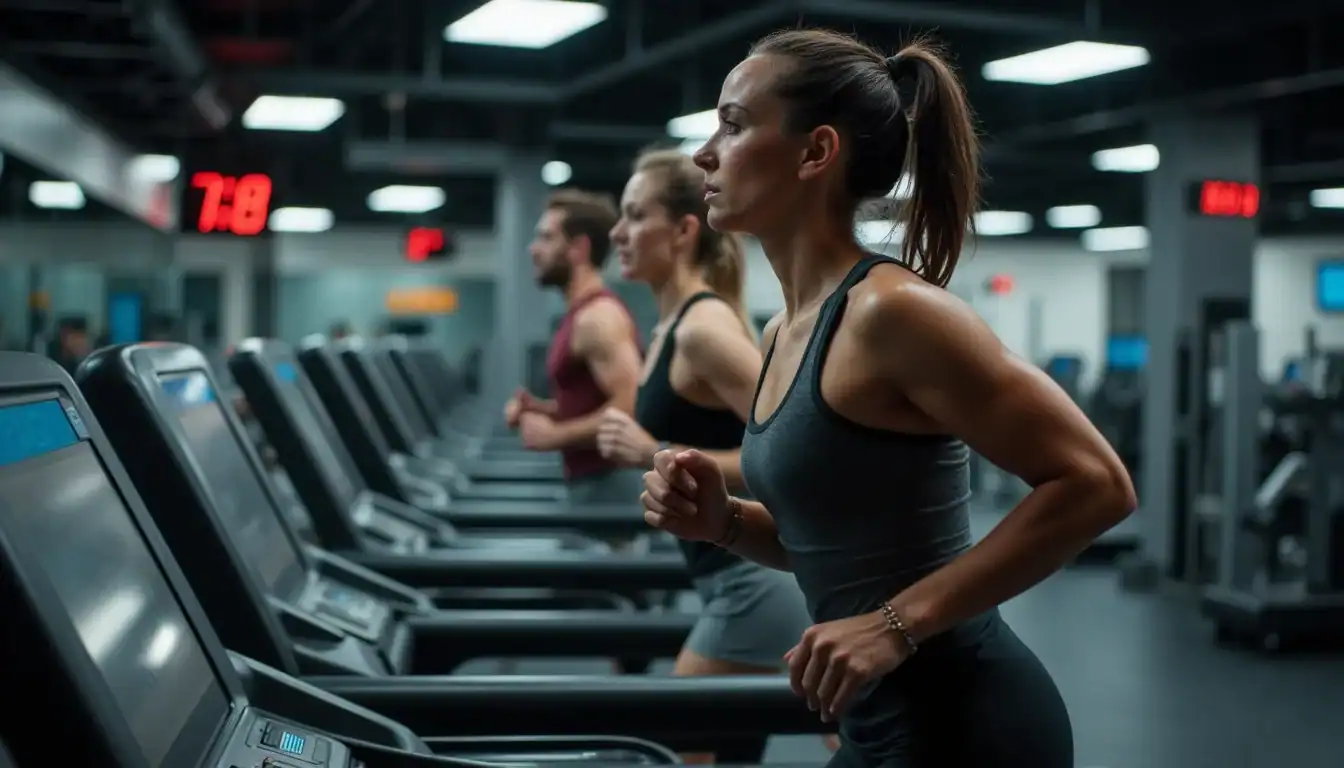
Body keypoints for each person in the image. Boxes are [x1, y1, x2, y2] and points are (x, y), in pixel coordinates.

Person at [640, 29, 1137, 768]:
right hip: (877, 722)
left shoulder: (892, 313)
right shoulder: (781, 331)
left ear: (816, 153)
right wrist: (725, 523)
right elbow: (832, 547)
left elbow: (1098, 484)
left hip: (965, 722)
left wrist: (896, 624)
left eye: (735, 125)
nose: (705, 153)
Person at [597, 149, 834, 760]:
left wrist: (657, 450)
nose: (617, 233)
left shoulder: (703, 330)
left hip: (752, 582)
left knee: (676, 746)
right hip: (723, 574)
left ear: (682, 231)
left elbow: (796, 448)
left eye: (634, 215)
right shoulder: (665, 330)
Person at [504, 189, 645, 503]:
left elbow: (632, 404)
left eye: (546, 238)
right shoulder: (579, 315)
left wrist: (556, 435)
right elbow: (597, 401)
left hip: (610, 488)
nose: (533, 249)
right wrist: (547, 411)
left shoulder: (597, 318)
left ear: (578, 249)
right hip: (592, 485)